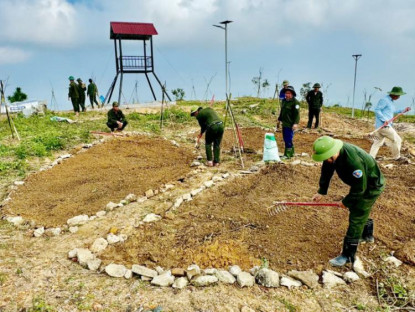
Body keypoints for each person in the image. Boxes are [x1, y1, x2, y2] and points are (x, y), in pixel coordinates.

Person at [312, 136, 385, 267]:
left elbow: (359, 188)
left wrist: (346, 202)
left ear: (334, 151)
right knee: (358, 209)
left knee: (357, 215)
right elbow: (326, 171)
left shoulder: (353, 162)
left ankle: (348, 255)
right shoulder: (332, 154)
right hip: (361, 185)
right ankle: (367, 236)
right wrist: (321, 191)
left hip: (371, 186)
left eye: (328, 157)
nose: (327, 160)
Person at [369, 86, 410, 161]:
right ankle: (397, 157)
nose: (399, 97)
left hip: (383, 126)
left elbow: (393, 111)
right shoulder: (384, 100)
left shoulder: (391, 102)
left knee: (377, 142)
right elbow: (377, 110)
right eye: (398, 95)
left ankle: (370, 158)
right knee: (397, 140)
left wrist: (404, 110)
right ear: (394, 94)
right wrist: (384, 119)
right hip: (384, 126)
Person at [277, 86, 300, 159]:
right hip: (284, 123)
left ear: (292, 94)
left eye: (289, 93)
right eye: (286, 93)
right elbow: (282, 111)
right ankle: (292, 153)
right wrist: (279, 120)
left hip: (290, 124)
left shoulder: (295, 102)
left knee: (288, 139)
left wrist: (295, 123)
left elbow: (297, 114)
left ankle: (287, 155)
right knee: (286, 138)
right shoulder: (284, 101)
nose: (287, 95)